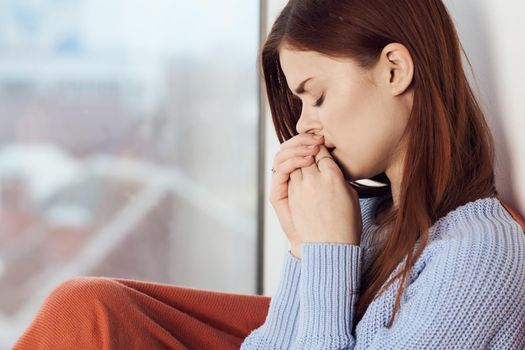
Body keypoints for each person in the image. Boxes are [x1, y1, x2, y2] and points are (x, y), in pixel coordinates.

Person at [13, 0, 525, 349]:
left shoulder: (480, 253)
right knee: (83, 309)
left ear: (394, 69)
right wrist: (306, 249)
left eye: (317, 95)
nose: (304, 125)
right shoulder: (367, 219)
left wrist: (325, 253)